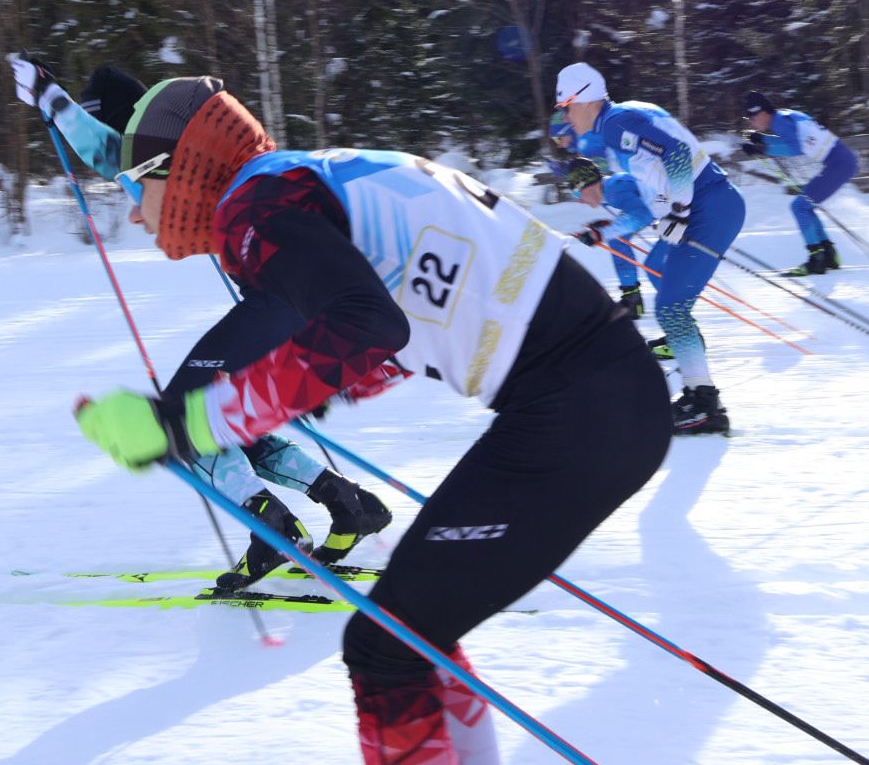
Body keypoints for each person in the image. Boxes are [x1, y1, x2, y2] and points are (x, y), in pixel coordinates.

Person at [70, 74, 671, 763]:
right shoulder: (293, 183)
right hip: (592, 396)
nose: (136, 217)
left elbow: (366, 325)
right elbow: (403, 311)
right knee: (413, 640)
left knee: (388, 647)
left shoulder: (254, 208)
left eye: (132, 188)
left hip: (579, 406)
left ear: (184, 170)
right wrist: (324, 386)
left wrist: (185, 426)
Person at [12, 57, 393, 590]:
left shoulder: (150, 154)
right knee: (224, 416)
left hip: (285, 296)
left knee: (180, 420)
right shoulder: (184, 151)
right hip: (299, 294)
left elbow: (101, 150)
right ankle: (347, 504)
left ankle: (271, 528)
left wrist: (52, 100)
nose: (129, 196)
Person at [556, 61, 744, 436]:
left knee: (670, 306)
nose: (565, 116)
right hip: (707, 204)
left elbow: (675, 153)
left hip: (710, 206)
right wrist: (605, 231)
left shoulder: (616, 122)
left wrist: (678, 210)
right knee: (659, 264)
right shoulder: (617, 128)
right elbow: (644, 206)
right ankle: (686, 345)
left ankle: (704, 402)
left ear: (581, 99)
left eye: (565, 107)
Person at [739, 90, 859, 276]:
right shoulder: (784, 116)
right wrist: (762, 139)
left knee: (799, 207)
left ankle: (816, 259)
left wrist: (761, 148)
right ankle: (828, 253)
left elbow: (795, 148)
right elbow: (794, 140)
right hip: (842, 162)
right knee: (805, 206)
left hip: (839, 165)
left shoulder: (779, 122)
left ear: (762, 112)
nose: (752, 122)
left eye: (752, 118)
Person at [550, 110, 644, 319]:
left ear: (567, 129)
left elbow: (601, 174)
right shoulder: (581, 143)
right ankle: (632, 297)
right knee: (617, 238)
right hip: (625, 194)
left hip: (634, 192)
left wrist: (568, 172)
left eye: (558, 137)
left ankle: (633, 299)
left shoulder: (588, 141)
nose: (558, 144)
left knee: (618, 238)